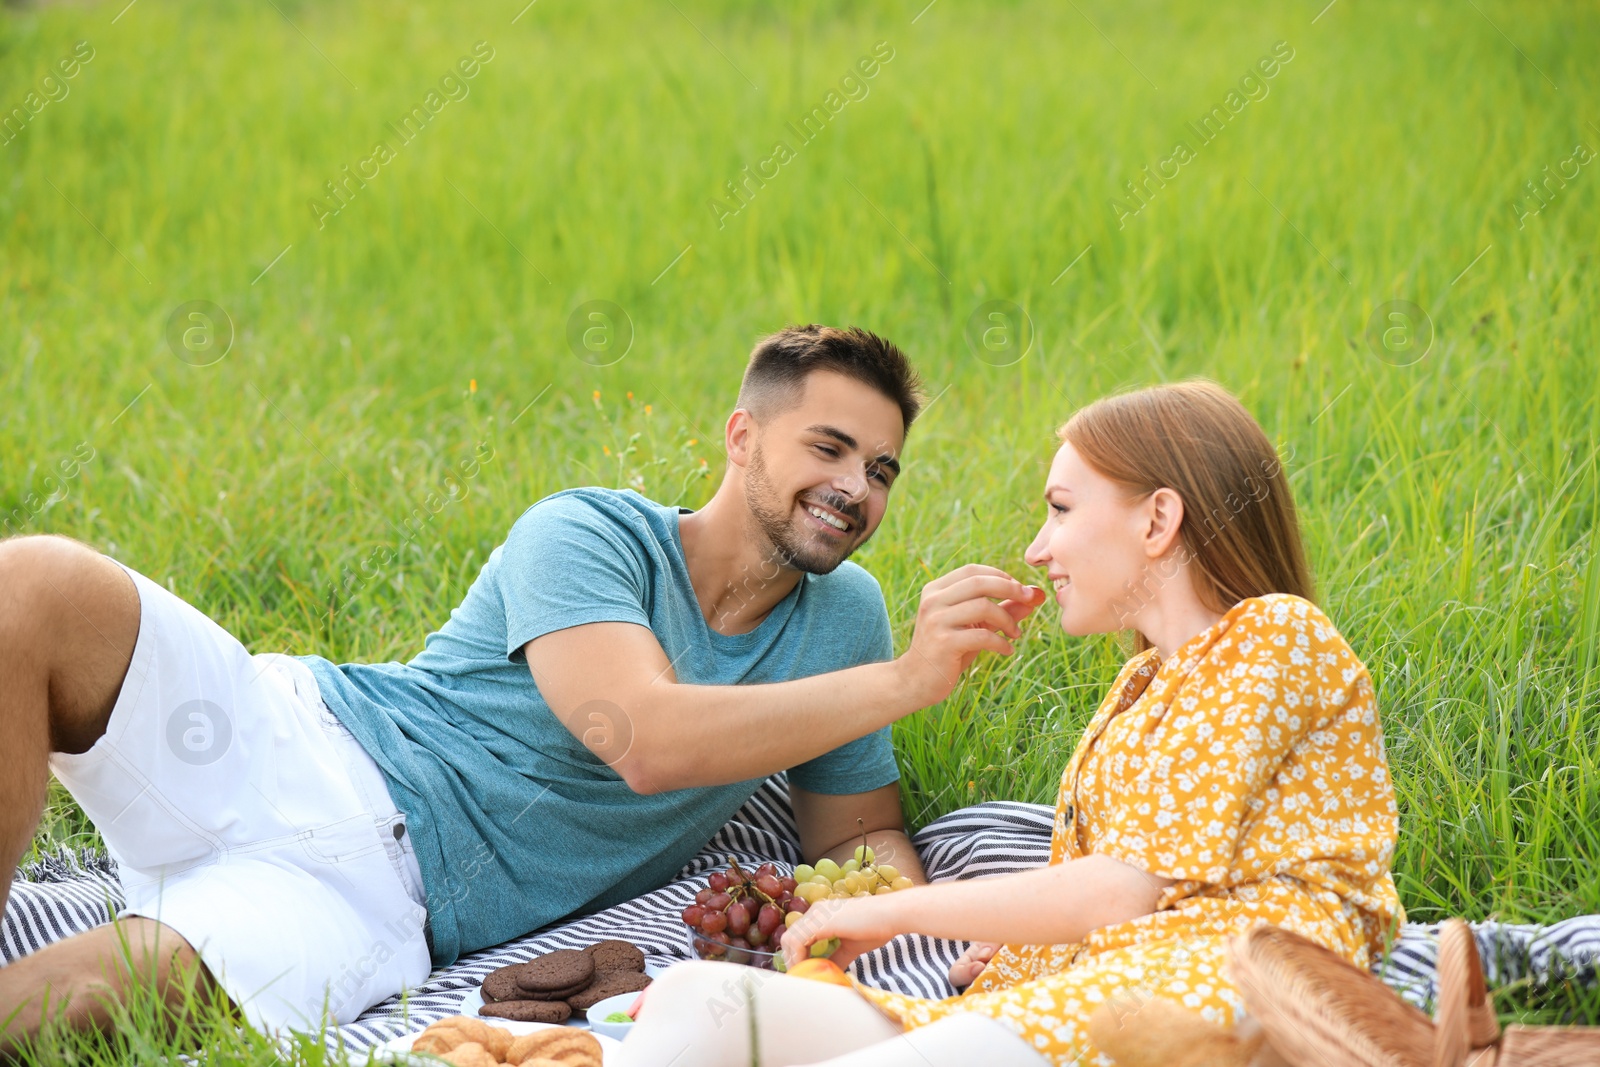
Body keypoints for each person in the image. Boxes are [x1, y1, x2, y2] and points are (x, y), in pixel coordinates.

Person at [0, 324, 1048, 1050]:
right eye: (829, 446)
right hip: (296, 736)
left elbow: (852, 834)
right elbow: (637, 736)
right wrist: (908, 680)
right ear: (741, 437)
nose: (856, 486)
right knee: (34, 580)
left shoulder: (845, 619)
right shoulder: (587, 529)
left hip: (373, 905)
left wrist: (936, 922)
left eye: (881, 468)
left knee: (83, 1001)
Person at [617, 381, 1403, 1067]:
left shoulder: (1275, 634)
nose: (1038, 548)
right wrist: (1025, 945)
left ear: (1159, 518)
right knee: (689, 997)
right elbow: (1123, 883)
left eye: (1061, 510)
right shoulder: (1142, 683)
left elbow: (1125, 888)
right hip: (1099, 988)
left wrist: (888, 909)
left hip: (1223, 985)